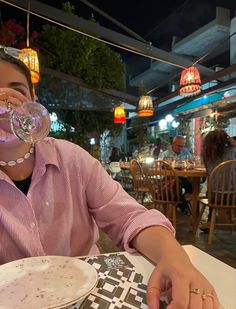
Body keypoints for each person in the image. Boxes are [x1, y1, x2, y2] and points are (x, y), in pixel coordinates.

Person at [0, 47, 219, 308]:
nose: (6, 103)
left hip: (89, 294)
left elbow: (130, 217)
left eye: (18, 91)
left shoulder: (71, 159)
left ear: (33, 100)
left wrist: (174, 258)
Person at [200, 129, 236, 231]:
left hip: (214, 197)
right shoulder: (233, 151)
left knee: (213, 191)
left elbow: (208, 174)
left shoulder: (207, 155)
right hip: (233, 197)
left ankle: (209, 223)